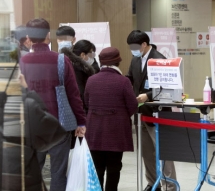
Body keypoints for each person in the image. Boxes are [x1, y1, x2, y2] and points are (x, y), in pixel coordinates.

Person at [20, 18, 86, 191]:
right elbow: (74, 94)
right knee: (58, 174)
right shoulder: (61, 60)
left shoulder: (23, 63)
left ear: (29, 37)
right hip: (60, 126)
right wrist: (81, 122)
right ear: (48, 36)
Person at [126, 30, 177, 191]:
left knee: (163, 152)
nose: (132, 50)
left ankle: (170, 185)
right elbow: (130, 78)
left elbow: (168, 87)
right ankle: (152, 183)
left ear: (144, 44)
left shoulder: (159, 59)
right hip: (140, 113)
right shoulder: (135, 59)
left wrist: (148, 96)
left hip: (157, 112)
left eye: (134, 46)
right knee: (146, 151)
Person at [84, 47, 138, 191]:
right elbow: (133, 105)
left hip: (95, 129)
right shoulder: (123, 81)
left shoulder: (91, 80)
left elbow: (86, 102)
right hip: (116, 130)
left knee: (97, 167)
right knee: (114, 167)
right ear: (118, 62)